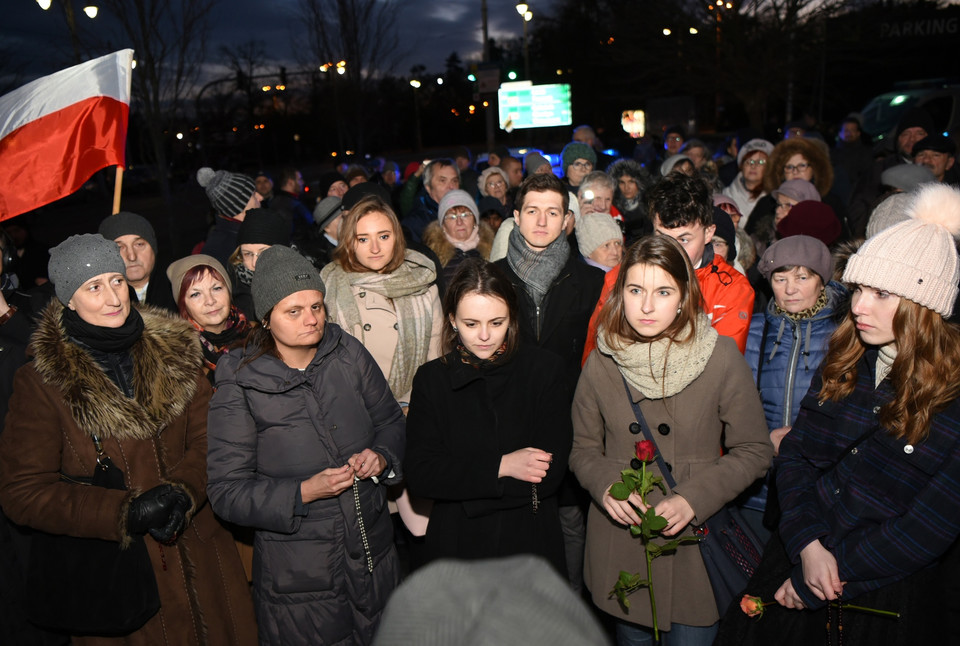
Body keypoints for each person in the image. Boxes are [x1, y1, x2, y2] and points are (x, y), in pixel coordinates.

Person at [718, 182, 960, 646]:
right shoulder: (846, 359)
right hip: (799, 553)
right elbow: (797, 456)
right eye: (859, 289)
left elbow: (928, 528)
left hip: (882, 592)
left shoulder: (950, 394)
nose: (859, 306)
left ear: (924, 307)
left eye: (882, 294)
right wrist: (808, 544)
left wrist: (830, 574)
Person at [0, 234, 257, 645]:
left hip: (207, 563)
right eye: (93, 287)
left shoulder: (175, 349)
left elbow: (215, 439)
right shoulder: (43, 381)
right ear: (68, 299)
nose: (113, 297)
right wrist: (125, 512)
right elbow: (23, 492)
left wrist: (185, 490)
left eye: (116, 280)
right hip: (120, 580)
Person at [571, 234, 772, 646]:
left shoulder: (719, 357)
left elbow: (754, 449)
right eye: (635, 290)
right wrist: (606, 484)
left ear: (683, 296)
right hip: (623, 540)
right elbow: (582, 449)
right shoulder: (601, 360)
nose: (646, 306)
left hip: (694, 544)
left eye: (662, 291)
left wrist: (694, 498)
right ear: (619, 293)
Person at [207, 245, 404, 646]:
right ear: (266, 316)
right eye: (293, 311)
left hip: (372, 554)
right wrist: (302, 493)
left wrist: (382, 456)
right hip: (299, 581)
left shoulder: (346, 351)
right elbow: (226, 492)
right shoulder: (240, 382)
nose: (311, 320)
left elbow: (390, 421)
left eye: (316, 307)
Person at [405, 259, 573, 573]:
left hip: (530, 545)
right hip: (457, 550)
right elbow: (421, 475)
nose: (484, 336)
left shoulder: (544, 370)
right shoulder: (432, 379)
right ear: (452, 320)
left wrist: (463, 487)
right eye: (471, 324)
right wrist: (502, 466)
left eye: (496, 322)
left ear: (511, 318)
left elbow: (549, 475)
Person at [583, 173, 755, 362]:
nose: (670, 250)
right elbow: (595, 355)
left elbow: (722, 367)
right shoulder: (620, 278)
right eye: (662, 236)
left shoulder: (731, 289)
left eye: (684, 239)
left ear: (708, 233)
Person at [741, 236, 843, 542]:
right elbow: (727, 410)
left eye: (802, 277)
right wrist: (762, 440)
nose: (789, 288)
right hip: (755, 488)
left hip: (817, 490)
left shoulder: (844, 337)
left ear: (821, 281)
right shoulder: (753, 331)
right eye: (780, 278)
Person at [168, 254, 252, 385]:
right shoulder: (178, 359)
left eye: (217, 288)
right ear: (183, 306)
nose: (210, 301)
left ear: (229, 292)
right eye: (196, 294)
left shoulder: (258, 336)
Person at [99, 211, 177, 311]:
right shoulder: (99, 302)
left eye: (139, 244)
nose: (132, 256)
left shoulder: (180, 290)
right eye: (119, 248)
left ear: (154, 249)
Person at [227, 208, 291, 321]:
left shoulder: (303, 280)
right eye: (247, 254)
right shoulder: (233, 294)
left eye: (264, 252)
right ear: (239, 255)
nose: (255, 263)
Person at [422, 189, 494, 286]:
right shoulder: (433, 259)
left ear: (475, 220)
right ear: (443, 225)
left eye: (465, 215)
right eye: (452, 217)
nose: (459, 222)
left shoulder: (492, 252)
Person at [198, 166, 262, 268]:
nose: (261, 197)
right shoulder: (221, 250)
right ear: (238, 205)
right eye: (254, 195)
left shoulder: (251, 231)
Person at [722, 139, 774, 226]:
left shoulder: (773, 198)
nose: (753, 166)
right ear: (742, 166)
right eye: (749, 161)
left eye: (760, 162)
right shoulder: (726, 195)